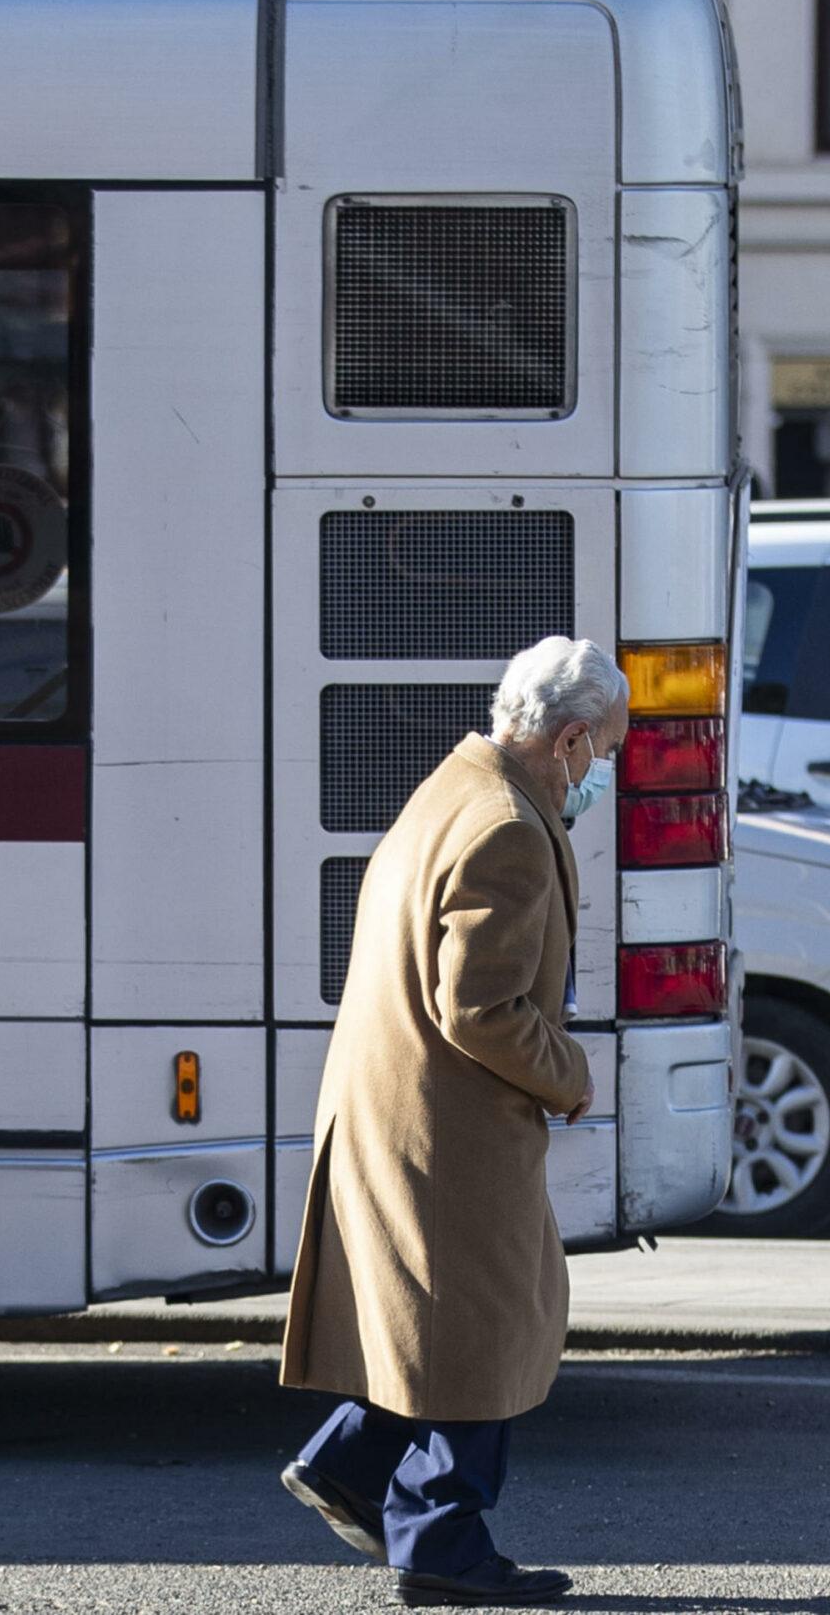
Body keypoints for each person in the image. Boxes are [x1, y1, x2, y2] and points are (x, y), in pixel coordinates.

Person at [277, 635, 627, 1608]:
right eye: (602, 749)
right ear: (565, 740)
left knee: (445, 1326)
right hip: (448, 1124)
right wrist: (568, 1073)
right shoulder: (506, 829)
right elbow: (478, 1007)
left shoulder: (451, 786)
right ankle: (438, 1536)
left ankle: (348, 1463)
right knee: (487, 1328)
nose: (600, 770)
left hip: (401, 1106)